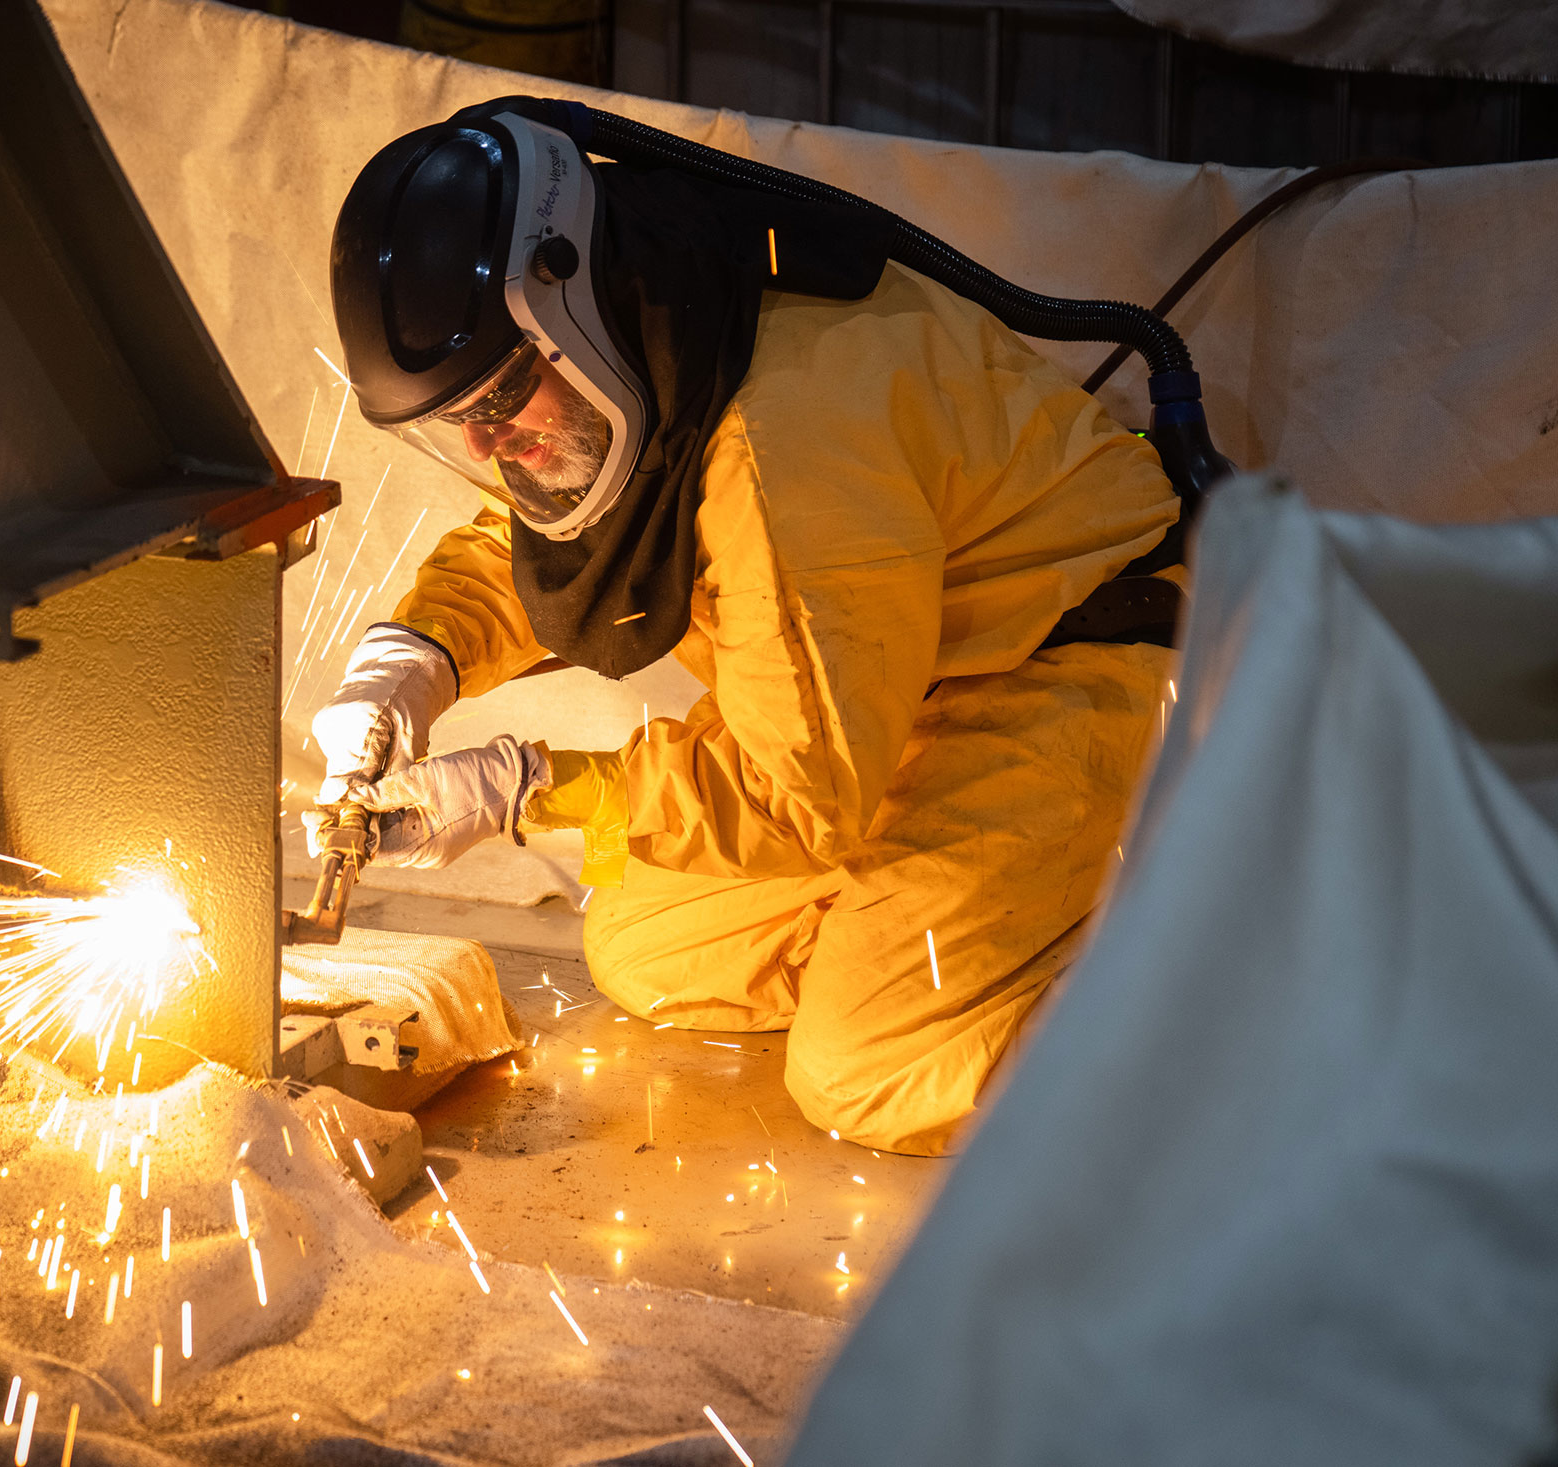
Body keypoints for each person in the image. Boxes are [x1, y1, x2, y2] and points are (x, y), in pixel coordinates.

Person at [310, 101, 1182, 1155]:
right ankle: (967, 930)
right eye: (458, 420)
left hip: (1077, 678)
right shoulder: (651, 326)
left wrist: (531, 788)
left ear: (562, 304)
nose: (488, 438)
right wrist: (414, 659)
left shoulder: (785, 453)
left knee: (868, 1066)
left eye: (497, 396)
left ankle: (1214, 983)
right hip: (902, 695)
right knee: (646, 943)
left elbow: (799, 797)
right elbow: (542, 528)